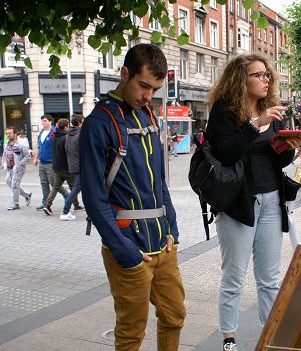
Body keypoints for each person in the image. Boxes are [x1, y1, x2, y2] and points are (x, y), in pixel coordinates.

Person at [79, 43, 185, 350]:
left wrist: (172, 230)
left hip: (162, 244)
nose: (148, 96)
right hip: (129, 248)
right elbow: (94, 196)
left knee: (175, 316)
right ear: (125, 73)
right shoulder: (99, 123)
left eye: (155, 89)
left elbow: (159, 181)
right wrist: (122, 250)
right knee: (130, 334)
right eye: (143, 86)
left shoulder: (149, 116)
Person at [206, 53, 301, 351]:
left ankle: (270, 337)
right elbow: (226, 153)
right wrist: (255, 124)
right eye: (258, 75)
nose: (266, 80)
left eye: (267, 75)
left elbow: (279, 158)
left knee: (270, 278)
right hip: (238, 204)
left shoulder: (270, 110)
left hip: (272, 201)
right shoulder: (224, 112)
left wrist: (290, 147)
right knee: (234, 276)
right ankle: (229, 338)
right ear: (240, 79)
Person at [42, 118, 82, 216]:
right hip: (66, 166)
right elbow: (69, 152)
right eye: (68, 126)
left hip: (56, 166)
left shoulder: (54, 136)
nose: (69, 127)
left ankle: (47, 205)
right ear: (65, 127)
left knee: (56, 186)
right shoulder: (66, 137)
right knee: (74, 186)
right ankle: (76, 205)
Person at [33, 114, 69, 210]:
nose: (43, 123)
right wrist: (35, 158)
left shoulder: (54, 132)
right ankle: (45, 202)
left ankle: (66, 195)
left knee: (53, 183)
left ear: (50, 121)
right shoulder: (41, 132)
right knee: (44, 183)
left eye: (45, 121)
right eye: (42, 121)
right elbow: (38, 146)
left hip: (51, 162)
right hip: (42, 162)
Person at [60, 114, 85, 220]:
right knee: (76, 189)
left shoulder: (68, 135)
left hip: (73, 165)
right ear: (79, 123)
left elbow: (67, 149)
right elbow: (85, 151)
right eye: (83, 121)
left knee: (82, 189)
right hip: (82, 166)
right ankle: (65, 212)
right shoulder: (81, 134)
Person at [2, 126, 32, 210]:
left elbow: (27, 156)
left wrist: (18, 164)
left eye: (10, 133)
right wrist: (4, 163)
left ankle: (15, 204)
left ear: (15, 134)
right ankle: (27, 195)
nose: (8, 135)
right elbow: (5, 154)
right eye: (7, 133)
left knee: (14, 184)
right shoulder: (7, 143)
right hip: (9, 168)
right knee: (9, 183)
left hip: (18, 169)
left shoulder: (21, 144)